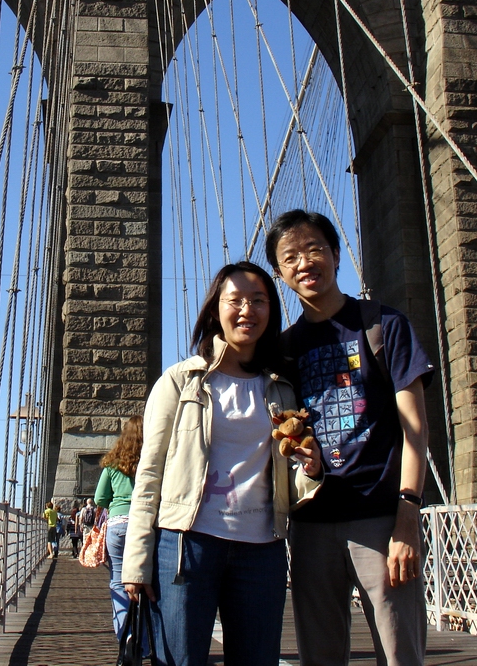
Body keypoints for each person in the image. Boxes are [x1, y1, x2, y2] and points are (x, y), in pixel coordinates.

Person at [121, 262, 322, 666]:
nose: (247, 310)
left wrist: (311, 471)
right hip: (186, 545)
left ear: (271, 310)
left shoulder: (282, 389)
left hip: (262, 549)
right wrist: (136, 561)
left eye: (259, 301)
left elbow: (287, 476)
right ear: (216, 309)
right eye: (236, 300)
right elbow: (150, 473)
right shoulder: (180, 381)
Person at [265, 209, 435, 666]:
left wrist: (407, 516)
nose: (304, 262)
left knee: (401, 657)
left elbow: (416, 430)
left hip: (380, 521)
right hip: (311, 526)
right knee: (320, 659)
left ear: (337, 255)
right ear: (280, 273)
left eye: (314, 248)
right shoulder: (281, 351)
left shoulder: (384, 326)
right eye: (290, 257)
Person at [95, 415, 144, 639]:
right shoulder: (151, 459)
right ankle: (144, 641)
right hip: (144, 524)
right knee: (146, 580)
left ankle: (125, 635)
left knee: (118, 580)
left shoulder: (112, 464)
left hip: (117, 525)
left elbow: (100, 498)